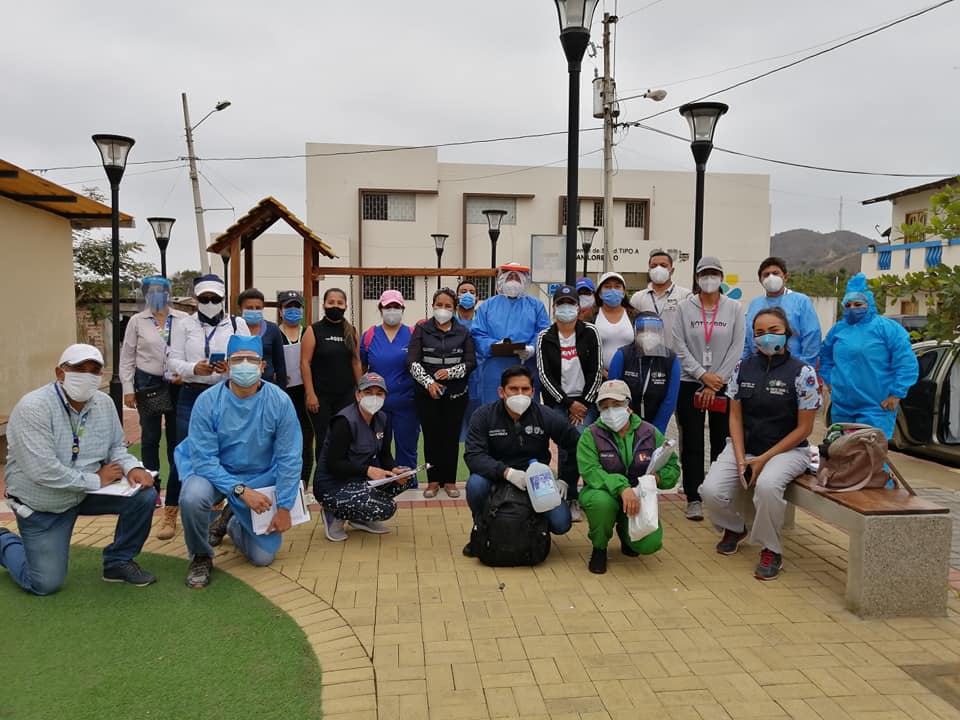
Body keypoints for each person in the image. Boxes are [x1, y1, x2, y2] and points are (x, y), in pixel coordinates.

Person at [0, 344, 158, 594]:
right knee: (44, 584)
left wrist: (131, 468)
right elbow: (43, 471)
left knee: (144, 495)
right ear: (60, 373)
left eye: (94, 371)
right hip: (45, 503)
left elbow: (116, 447)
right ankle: (4, 541)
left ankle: (118, 562)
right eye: (79, 369)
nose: (87, 376)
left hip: (85, 493)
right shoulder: (33, 408)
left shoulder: (104, 403)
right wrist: (96, 480)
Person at [700, 307, 822, 581]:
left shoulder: (802, 373)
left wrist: (762, 460)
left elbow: (805, 428)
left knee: (767, 487)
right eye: (759, 332)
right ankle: (735, 527)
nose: (766, 337)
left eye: (773, 331)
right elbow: (735, 416)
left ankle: (771, 549)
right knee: (710, 491)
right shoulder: (743, 368)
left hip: (788, 450)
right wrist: (741, 458)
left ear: (787, 333)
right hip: (745, 446)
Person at [175, 335, 302, 589]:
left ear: (262, 366)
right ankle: (200, 555)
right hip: (213, 474)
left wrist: (285, 507)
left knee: (262, 558)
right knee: (192, 497)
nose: (244, 365)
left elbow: (289, 457)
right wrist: (241, 491)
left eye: (251, 360)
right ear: (227, 365)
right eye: (237, 359)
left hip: (260, 475)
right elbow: (204, 460)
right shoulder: (208, 401)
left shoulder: (279, 401)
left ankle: (232, 522)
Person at [164, 274, 249, 540]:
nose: (210, 303)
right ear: (196, 299)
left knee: (228, 454)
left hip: (226, 395)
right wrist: (193, 368)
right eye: (205, 298)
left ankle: (217, 516)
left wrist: (229, 367)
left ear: (223, 299)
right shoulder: (183, 324)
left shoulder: (236, 324)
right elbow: (172, 360)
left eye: (215, 298)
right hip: (192, 394)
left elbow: (248, 356)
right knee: (183, 452)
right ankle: (171, 511)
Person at [462, 366, 579, 556]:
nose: (520, 394)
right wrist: (506, 472)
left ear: (533, 392)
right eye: (513, 389)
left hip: (536, 478)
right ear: (502, 392)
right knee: (475, 484)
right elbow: (473, 455)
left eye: (525, 389)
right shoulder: (484, 415)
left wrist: (566, 479)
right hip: (497, 476)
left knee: (561, 523)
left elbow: (575, 445)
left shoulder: (545, 415)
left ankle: (534, 529)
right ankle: (481, 529)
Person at [577, 380, 681, 574]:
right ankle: (599, 547)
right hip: (602, 491)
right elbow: (590, 471)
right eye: (605, 406)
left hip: (638, 495)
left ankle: (626, 534)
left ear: (628, 406)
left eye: (616, 404)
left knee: (650, 544)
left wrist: (658, 478)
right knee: (602, 503)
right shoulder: (590, 434)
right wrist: (622, 488)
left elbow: (672, 467)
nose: (611, 411)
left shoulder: (649, 432)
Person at [672, 256, 745, 521]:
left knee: (721, 440)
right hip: (690, 382)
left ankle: (719, 495)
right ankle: (694, 497)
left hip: (723, 385)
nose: (709, 279)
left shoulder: (735, 308)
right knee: (691, 442)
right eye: (704, 274)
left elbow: (737, 347)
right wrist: (702, 375)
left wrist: (717, 381)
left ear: (721, 277)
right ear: (697, 278)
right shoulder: (684, 308)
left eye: (714, 274)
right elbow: (679, 345)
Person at [313, 372, 414, 541]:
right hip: (332, 485)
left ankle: (359, 516)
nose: (374, 397)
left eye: (379, 393)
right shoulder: (344, 421)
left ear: (385, 397)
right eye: (368, 392)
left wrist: (394, 470)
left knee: (406, 477)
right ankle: (334, 514)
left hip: (358, 479)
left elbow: (385, 454)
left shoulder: (383, 419)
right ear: (358, 395)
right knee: (386, 508)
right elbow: (334, 464)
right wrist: (368, 470)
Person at [819, 273, 919, 439]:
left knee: (870, 450)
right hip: (842, 406)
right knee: (843, 449)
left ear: (869, 304)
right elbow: (825, 356)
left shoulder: (886, 328)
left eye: (858, 304)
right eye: (848, 305)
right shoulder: (838, 329)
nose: (852, 308)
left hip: (875, 406)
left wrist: (897, 394)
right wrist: (829, 381)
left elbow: (905, 362)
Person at [535, 284, 604, 522]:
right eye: (561, 304)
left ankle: (582, 495)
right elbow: (544, 375)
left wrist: (583, 403)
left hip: (585, 401)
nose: (566, 308)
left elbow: (596, 371)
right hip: (558, 401)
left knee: (582, 443)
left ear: (578, 307)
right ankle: (566, 496)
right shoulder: (545, 336)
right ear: (554, 308)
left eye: (571, 303)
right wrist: (567, 404)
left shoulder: (590, 332)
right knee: (564, 447)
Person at [120, 275, 188, 508]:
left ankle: (176, 489)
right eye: (152, 292)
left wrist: (186, 374)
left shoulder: (183, 319)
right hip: (148, 382)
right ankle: (152, 488)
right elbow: (127, 357)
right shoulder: (137, 321)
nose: (157, 295)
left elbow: (190, 349)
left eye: (161, 291)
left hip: (176, 382)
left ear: (169, 294)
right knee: (150, 436)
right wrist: (128, 388)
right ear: (146, 295)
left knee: (176, 437)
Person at [408, 287, 476, 498]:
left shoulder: (463, 332)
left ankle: (449, 481)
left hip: (456, 394)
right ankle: (433, 481)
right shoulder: (422, 329)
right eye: (439, 305)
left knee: (450, 437)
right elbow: (412, 361)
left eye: (448, 306)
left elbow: (470, 362)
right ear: (432, 306)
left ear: (454, 309)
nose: (443, 309)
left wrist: (451, 372)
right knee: (431, 437)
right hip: (427, 394)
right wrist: (429, 383)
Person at [471, 262, 550, 403]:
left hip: (526, 367)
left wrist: (532, 349)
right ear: (501, 280)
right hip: (494, 369)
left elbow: (543, 332)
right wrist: (494, 346)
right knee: (494, 409)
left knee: (526, 408)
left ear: (524, 280)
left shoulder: (536, 306)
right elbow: (478, 333)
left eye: (517, 277)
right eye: (509, 277)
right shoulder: (487, 306)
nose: (513, 281)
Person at [361, 290, 419, 471]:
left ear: (402, 309)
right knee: (376, 449)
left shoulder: (413, 334)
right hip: (376, 405)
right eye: (388, 307)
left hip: (407, 404)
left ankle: (407, 482)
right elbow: (361, 367)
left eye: (396, 307)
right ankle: (380, 483)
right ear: (380, 309)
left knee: (407, 449)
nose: (392, 310)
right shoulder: (370, 335)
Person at [301, 287, 362, 458]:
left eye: (339, 303)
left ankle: (341, 473)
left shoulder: (352, 331)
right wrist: (310, 394)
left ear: (346, 306)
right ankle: (323, 474)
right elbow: (305, 363)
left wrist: (361, 391)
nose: (335, 306)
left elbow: (356, 362)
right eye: (331, 302)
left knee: (344, 438)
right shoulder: (313, 330)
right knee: (323, 439)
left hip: (346, 396)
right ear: (324, 305)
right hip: (321, 398)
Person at [607, 311, 681, 434]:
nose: (649, 335)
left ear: (660, 333)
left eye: (653, 331)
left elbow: (670, 400)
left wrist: (656, 431)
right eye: (643, 331)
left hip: (656, 422)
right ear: (635, 332)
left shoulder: (671, 360)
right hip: (624, 422)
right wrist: (624, 424)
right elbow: (612, 392)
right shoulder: (622, 355)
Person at [741, 257, 821, 367]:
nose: (771, 277)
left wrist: (804, 366)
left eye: (775, 273)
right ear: (760, 280)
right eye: (766, 275)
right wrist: (743, 365)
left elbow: (812, 336)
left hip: (792, 366)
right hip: (759, 367)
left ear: (785, 277)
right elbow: (747, 338)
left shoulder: (801, 301)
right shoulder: (755, 304)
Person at [277, 290, 313, 487]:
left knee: (306, 440)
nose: (293, 310)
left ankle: (304, 483)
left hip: (304, 394)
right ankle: (283, 483)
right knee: (282, 439)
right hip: (282, 394)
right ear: (280, 311)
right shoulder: (274, 333)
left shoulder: (308, 332)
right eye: (288, 307)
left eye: (296, 306)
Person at [629, 250, 691, 350]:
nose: (658, 268)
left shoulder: (685, 295)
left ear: (672, 270)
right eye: (654, 266)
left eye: (663, 265)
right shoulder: (637, 298)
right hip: (646, 354)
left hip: (677, 354)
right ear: (649, 270)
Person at [237, 288, 287, 386]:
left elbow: (280, 364)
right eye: (249, 308)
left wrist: (281, 389)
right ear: (240, 309)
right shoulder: (233, 328)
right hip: (239, 385)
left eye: (258, 308)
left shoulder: (273, 329)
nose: (254, 311)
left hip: (267, 385)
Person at [456, 280, 483, 442]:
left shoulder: (484, 322)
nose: (467, 295)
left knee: (478, 429)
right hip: (455, 379)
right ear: (456, 296)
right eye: (463, 291)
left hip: (479, 379)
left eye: (472, 292)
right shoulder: (448, 322)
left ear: (477, 298)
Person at [593, 271, 635, 372]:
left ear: (623, 293)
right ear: (600, 294)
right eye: (607, 287)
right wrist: (602, 372)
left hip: (629, 375)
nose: (612, 290)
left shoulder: (634, 315)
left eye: (617, 287)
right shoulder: (591, 316)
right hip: (599, 376)